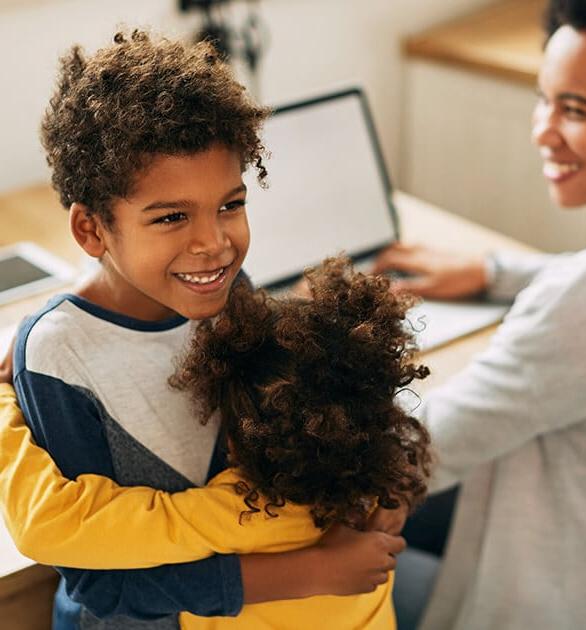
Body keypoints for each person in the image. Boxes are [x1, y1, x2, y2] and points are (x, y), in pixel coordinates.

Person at [0, 30, 405, 629]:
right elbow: (97, 581)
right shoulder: (59, 355)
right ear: (91, 231)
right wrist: (312, 573)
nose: (214, 242)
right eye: (171, 217)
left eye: (230, 204)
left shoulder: (227, 293)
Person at [373, 0, 586, 628]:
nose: (543, 131)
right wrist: (494, 272)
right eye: (542, 98)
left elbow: (406, 454)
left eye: (575, 110)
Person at [0, 257, 432, 628]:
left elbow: (50, 524)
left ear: (238, 441)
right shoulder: (382, 480)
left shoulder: (237, 512)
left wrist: (3, 402)